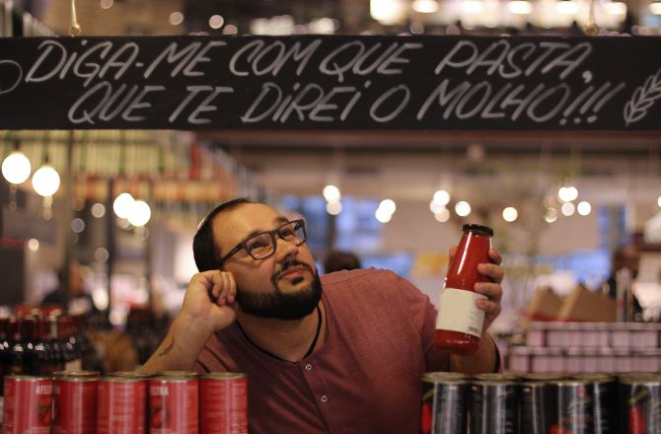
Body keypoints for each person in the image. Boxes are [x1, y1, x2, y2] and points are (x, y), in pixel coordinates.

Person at [142, 198, 505, 433]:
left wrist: (475, 331)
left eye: (287, 233)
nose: (287, 249)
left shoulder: (386, 296)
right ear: (219, 277)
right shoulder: (209, 358)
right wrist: (188, 330)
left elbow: (473, 383)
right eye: (257, 245)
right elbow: (132, 418)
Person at [602, 244, 642, 317]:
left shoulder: (628, 290)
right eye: (633, 261)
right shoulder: (607, 290)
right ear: (617, 262)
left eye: (637, 262)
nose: (636, 267)